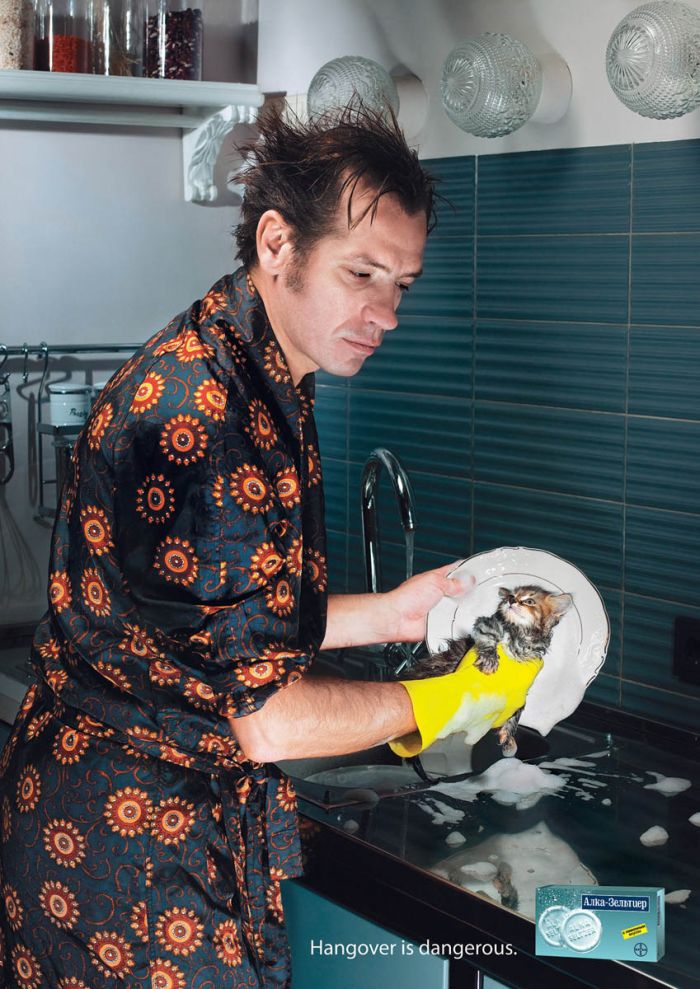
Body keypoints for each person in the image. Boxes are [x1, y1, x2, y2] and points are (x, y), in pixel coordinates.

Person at [0, 105, 473, 989]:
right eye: (361, 273)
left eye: (401, 285)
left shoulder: (259, 372)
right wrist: (452, 698)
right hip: (132, 857)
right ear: (277, 243)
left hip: (144, 830)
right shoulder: (206, 416)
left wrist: (393, 613)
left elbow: (225, 624)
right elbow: (271, 719)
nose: (385, 313)